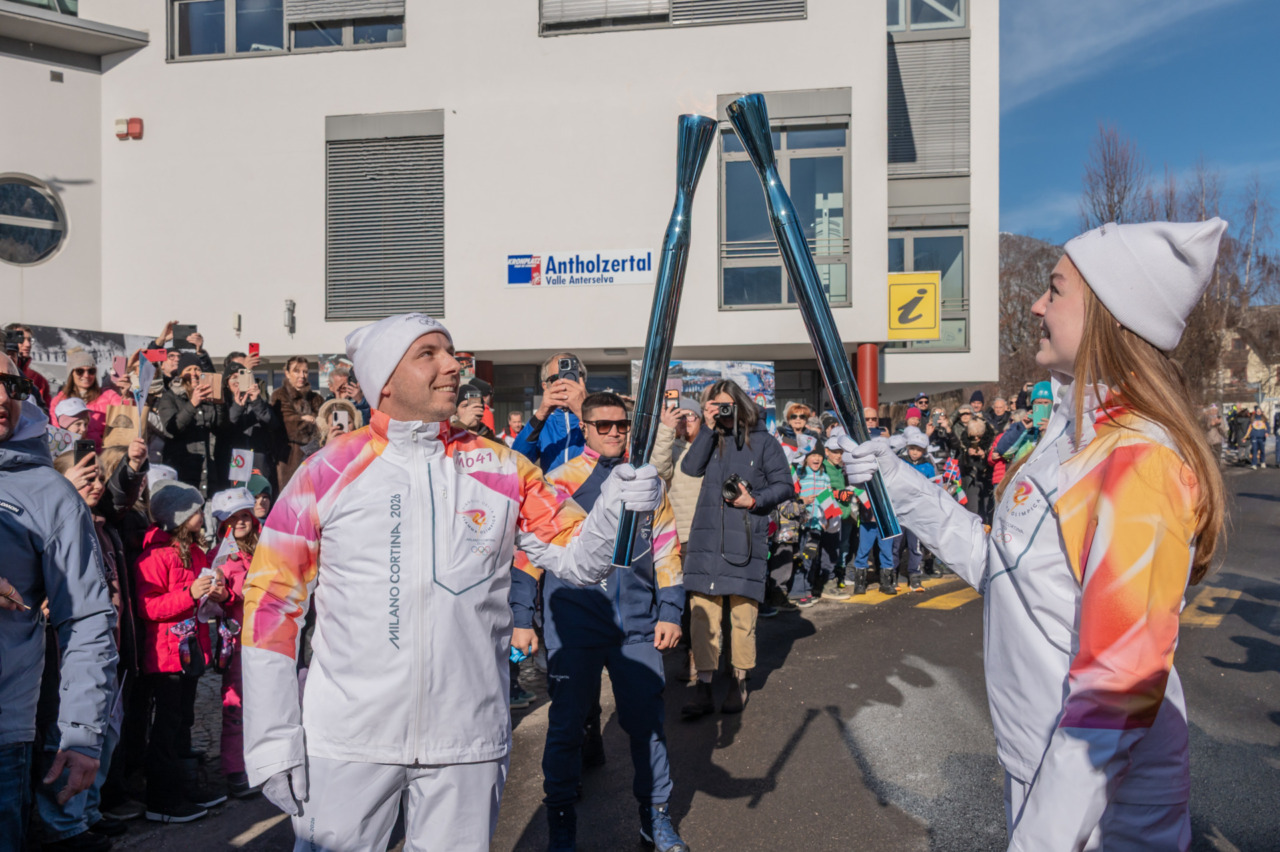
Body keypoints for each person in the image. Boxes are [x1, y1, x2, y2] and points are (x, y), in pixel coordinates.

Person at [844, 218, 1228, 850]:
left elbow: (1117, 688)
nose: (1036, 304)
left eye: (1055, 290)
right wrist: (896, 480)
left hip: (1108, 805)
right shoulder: (1067, 437)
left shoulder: (1137, 463)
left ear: (1108, 313)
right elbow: (1000, 567)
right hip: (1042, 766)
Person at [239, 313, 664, 851]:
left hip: (466, 736)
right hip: (350, 737)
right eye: (429, 354)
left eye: (451, 351)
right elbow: (271, 604)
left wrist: (618, 510)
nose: (451, 365)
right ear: (385, 380)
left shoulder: (501, 467)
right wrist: (273, 739)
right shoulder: (326, 472)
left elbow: (581, 560)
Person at [511, 391, 688, 852]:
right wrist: (521, 618)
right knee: (567, 728)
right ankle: (562, 829)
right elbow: (530, 555)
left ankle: (655, 820)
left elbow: (667, 547)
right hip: (574, 625)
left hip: (636, 626)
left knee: (647, 725)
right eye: (602, 425)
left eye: (621, 425)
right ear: (584, 428)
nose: (613, 432)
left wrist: (670, 610)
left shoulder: (647, 482)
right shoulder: (559, 480)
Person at [0, 353, 118, 852]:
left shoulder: (49, 492)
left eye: (9, 383)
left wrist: (80, 732)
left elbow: (87, 618)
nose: (3, 397)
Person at [679, 380, 793, 717]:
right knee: (702, 618)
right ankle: (703, 685)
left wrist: (754, 500)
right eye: (716, 406)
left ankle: (738, 683)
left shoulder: (764, 442)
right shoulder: (710, 438)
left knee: (742, 617)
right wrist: (707, 428)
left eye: (727, 405)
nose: (723, 411)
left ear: (742, 405)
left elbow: (784, 485)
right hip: (706, 540)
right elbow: (689, 468)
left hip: (744, 537)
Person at [134, 480, 228, 823]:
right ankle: (161, 799)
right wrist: (189, 594)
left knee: (183, 723)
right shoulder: (154, 556)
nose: (201, 515)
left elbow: (197, 602)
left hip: (192, 651)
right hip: (166, 655)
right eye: (196, 510)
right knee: (167, 727)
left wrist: (215, 594)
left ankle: (182, 786)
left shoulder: (197, 552)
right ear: (178, 516)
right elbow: (149, 608)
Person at [208, 487, 261, 799]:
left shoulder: (263, 548)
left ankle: (258, 759)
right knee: (236, 705)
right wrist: (226, 595)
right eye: (232, 518)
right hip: (238, 643)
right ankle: (234, 769)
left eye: (245, 516)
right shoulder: (222, 557)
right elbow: (221, 600)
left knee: (263, 702)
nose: (240, 522)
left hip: (267, 638)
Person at [156, 353, 225, 494]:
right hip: (183, 469)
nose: (193, 373)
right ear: (180, 374)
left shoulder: (207, 398)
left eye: (197, 369)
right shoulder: (170, 397)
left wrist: (220, 404)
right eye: (188, 370)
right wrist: (193, 404)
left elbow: (220, 427)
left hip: (208, 470)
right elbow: (172, 428)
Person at [789, 446, 849, 607]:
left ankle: (807, 589)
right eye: (812, 455)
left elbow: (827, 497)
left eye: (819, 455)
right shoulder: (800, 473)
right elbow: (793, 494)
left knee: (810, 557)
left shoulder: (824, 476)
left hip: (817, 524)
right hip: (802, 523)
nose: (816, 458)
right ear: (806, 458)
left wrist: (828, 518)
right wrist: (801, 499)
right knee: (802, 558)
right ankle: (797, 592)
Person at [511, 352, 588, 471]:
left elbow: (610, 453)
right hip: (552, 489)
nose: (564, 384)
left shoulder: (602, 415)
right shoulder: (544, 423)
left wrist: (585, 412)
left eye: (572, 376)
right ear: (545, 386)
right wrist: (541, 414)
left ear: (583, 381)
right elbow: (515, 462)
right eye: (556, 378)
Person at [216, 353, 277, 494]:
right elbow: (223, 429)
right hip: (234, 462)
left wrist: (256, 401)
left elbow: (272, 423)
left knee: (260, 497)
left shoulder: (256, 398)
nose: (238, 381)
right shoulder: (223, 402)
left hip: (258, 458)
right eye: (233, 377)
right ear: (226, 382)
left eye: (241, 376)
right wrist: (237, 406)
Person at [48, 350, 123, 452]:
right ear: (71, 373)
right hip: (71, 454)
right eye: (80, 371)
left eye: (91, 371)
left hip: (104, 455)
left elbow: (126, 415)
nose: (86, 375)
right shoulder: (59, 401)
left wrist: (126, 394)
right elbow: (58, 433)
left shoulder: (108, 395)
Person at [271, 356, 324, 490]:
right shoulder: (280, 395)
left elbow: (325, 428)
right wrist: (310, 421)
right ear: (287, 373)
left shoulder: (317, 399)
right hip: (289, 461)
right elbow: (290, 427)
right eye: (296, 371)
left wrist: (306, 419)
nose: (302, 375)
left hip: (315, 459)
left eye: (305, 371)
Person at [4, 322, 51, 410]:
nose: (27, 344)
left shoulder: (39, 380)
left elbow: (45, 414)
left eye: (29, 340)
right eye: (21, 339)